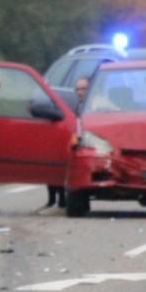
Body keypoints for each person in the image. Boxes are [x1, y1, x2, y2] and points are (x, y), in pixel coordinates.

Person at [46, 77, 88, 207]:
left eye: (84, 89)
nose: (80, 92)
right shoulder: (69, 106)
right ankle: (54, 198)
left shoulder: (97, 104)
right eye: (78, 89)